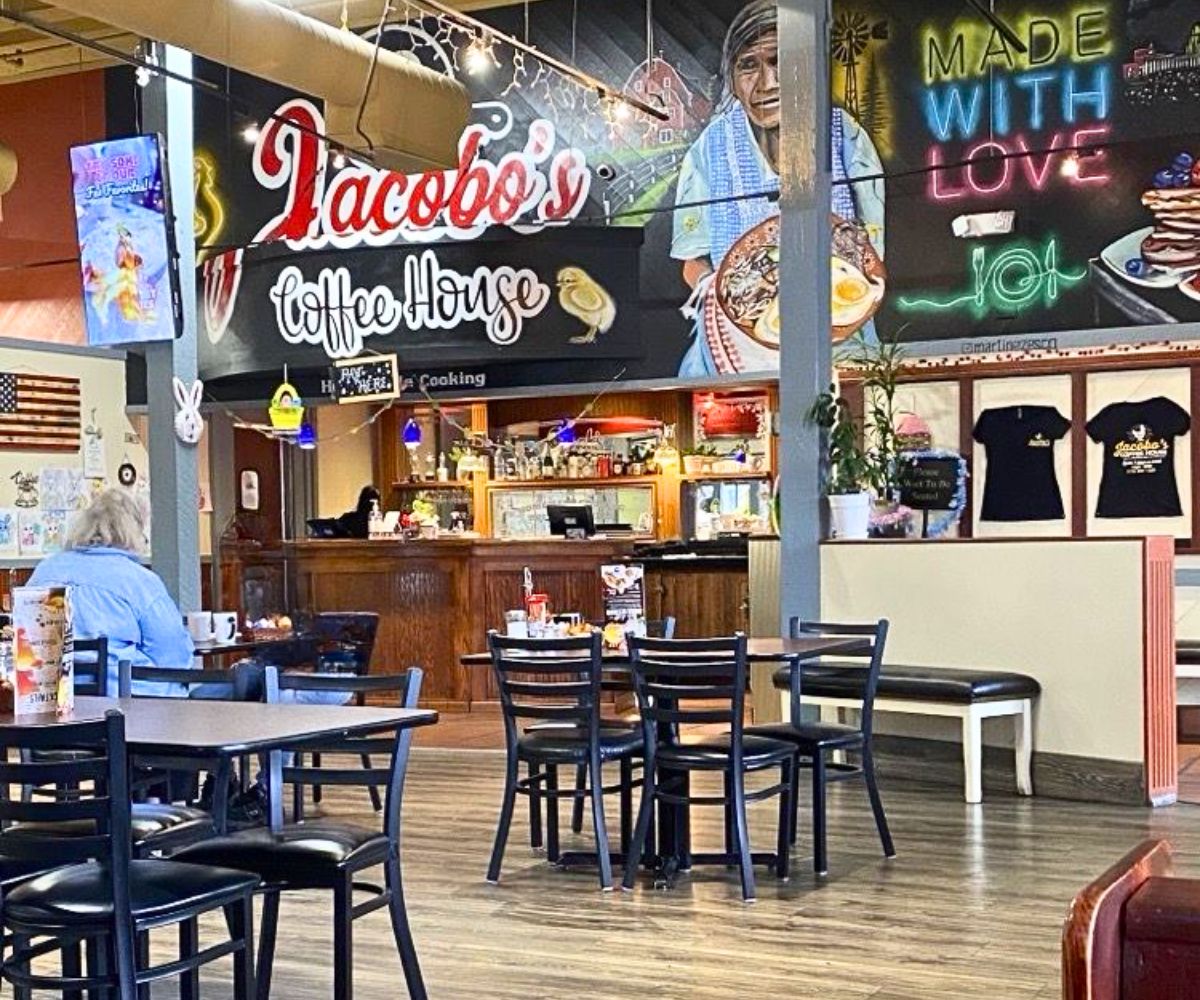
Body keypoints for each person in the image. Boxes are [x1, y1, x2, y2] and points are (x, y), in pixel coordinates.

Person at [671, 0, 885, 374]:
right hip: (736, 340)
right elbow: (693, 260)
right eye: (748, 66)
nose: (767, 84)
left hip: (836, 327)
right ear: (732, 77)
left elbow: (871, 247)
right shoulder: (709, 149)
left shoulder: (844, 135)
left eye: (780, 62)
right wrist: (720, 293)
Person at [28, 488, 192, 696]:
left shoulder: (45, 570)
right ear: (135, 531)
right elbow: (173, 655)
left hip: (47, 700)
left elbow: (23, 638)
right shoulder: (139, 581)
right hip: (123, 706)